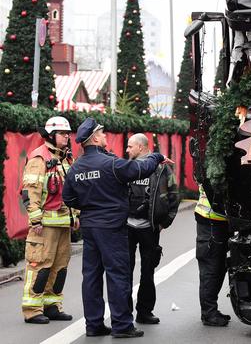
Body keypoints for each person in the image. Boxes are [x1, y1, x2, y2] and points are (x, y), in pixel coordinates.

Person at [62, 118, 174, 338]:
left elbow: (68, 197)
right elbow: (142, 168)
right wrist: (158, 155)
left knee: (91, 276)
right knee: (118, 274)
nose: (105, 136)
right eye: (102, 133)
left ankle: (93, 325)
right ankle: (122, 325)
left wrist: (89, 205)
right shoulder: (111, 164)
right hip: (112, 227)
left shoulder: (76, 168)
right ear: (95, 138)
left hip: (90, 226)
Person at [21, 116, 78, 324]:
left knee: (59, 267)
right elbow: (30, 192)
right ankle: (32, 309)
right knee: (40, 266)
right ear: (52, 135)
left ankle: (52, 305)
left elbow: (71, 191)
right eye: (63, 134)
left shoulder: (66, 158)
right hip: (44, 226)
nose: (67, 137)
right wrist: (35, 220)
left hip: (63, 224)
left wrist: (76, 215)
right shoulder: (39, 158)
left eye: (68, 133)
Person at [125, 133, 179, 325]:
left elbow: (173, 195)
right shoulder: (127, 166)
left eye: (130, 146)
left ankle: (144, 312)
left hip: (150, 228)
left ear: (141, 147)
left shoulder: (162, 168)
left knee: (148, 272)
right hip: (127, 228)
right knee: (125, 271)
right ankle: (124, 313)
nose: (127, 150)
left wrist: (165, 222)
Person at [195, 184, 231, 327]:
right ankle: (209, 313)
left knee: (220, 267)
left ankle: (211, 310)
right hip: (210, 220)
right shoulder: (212, 167)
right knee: (211, 269)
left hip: (219, 220)